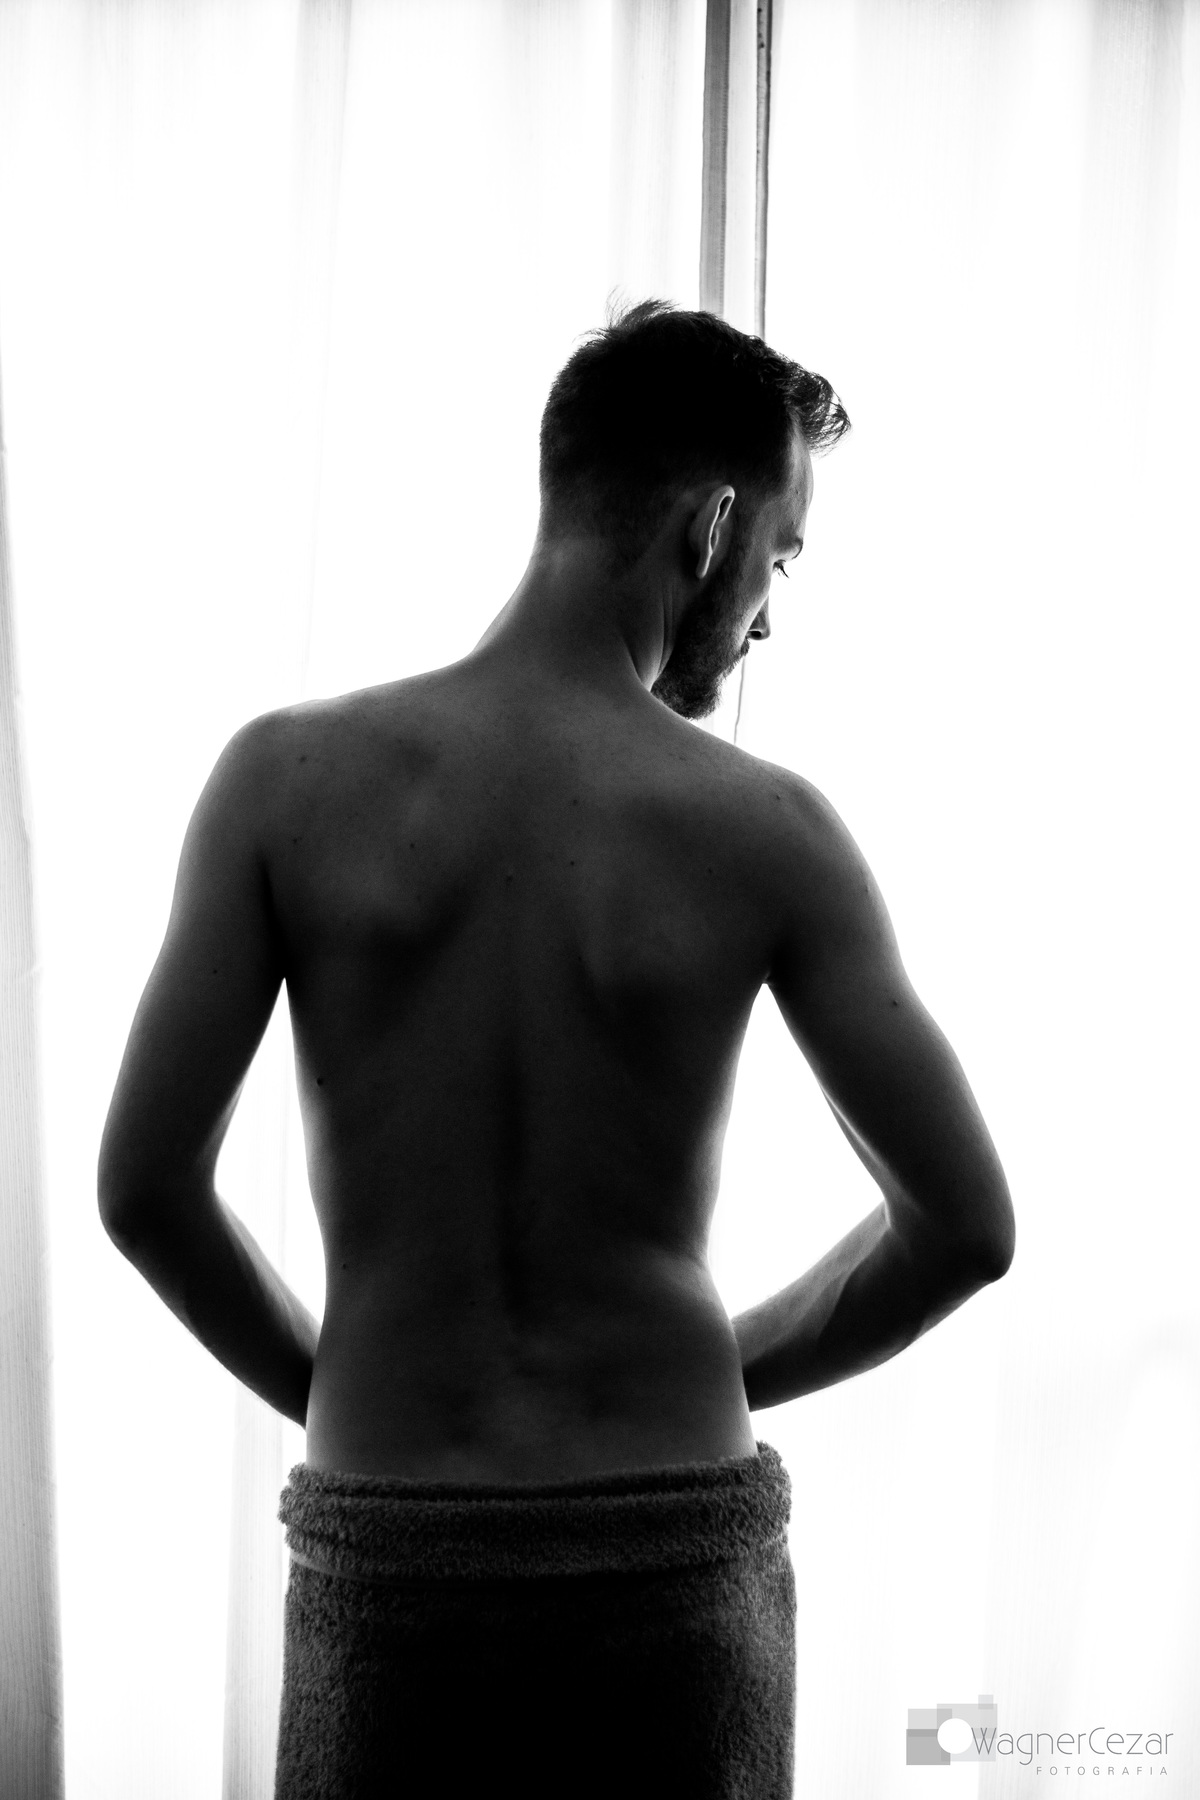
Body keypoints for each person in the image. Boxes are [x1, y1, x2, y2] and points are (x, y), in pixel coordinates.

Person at [98, 300, 1014, 1798]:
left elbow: (143, 1191)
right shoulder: (769, 830)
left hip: (396, 1550)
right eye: (781, 558)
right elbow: (967, 1228)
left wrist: (343, 1390)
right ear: (711, 526)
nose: (769, 616)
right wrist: (706, 1364)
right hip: (671, 1557)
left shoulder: (283, 781)